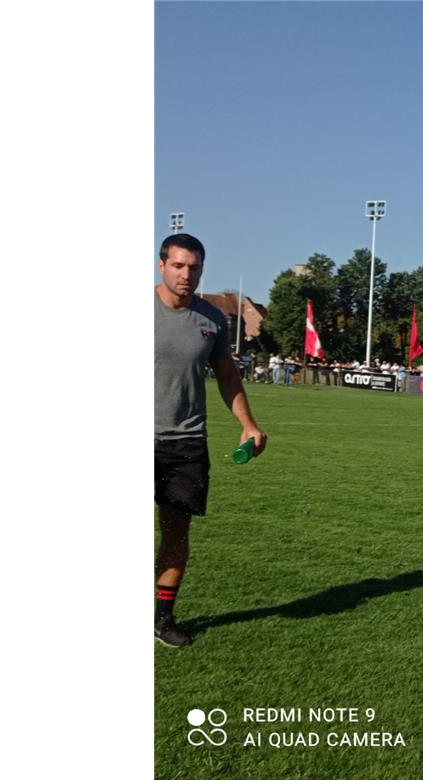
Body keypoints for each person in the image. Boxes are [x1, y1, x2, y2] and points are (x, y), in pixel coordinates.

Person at [154, 233, 266, 647]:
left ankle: (162, 620)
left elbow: (227, 377)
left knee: (176, 535)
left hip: (185, 443)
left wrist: (248, 425)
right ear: (161, 264)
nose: (187, 275)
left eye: (194, 267)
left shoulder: (212, 320)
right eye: (179, 266)